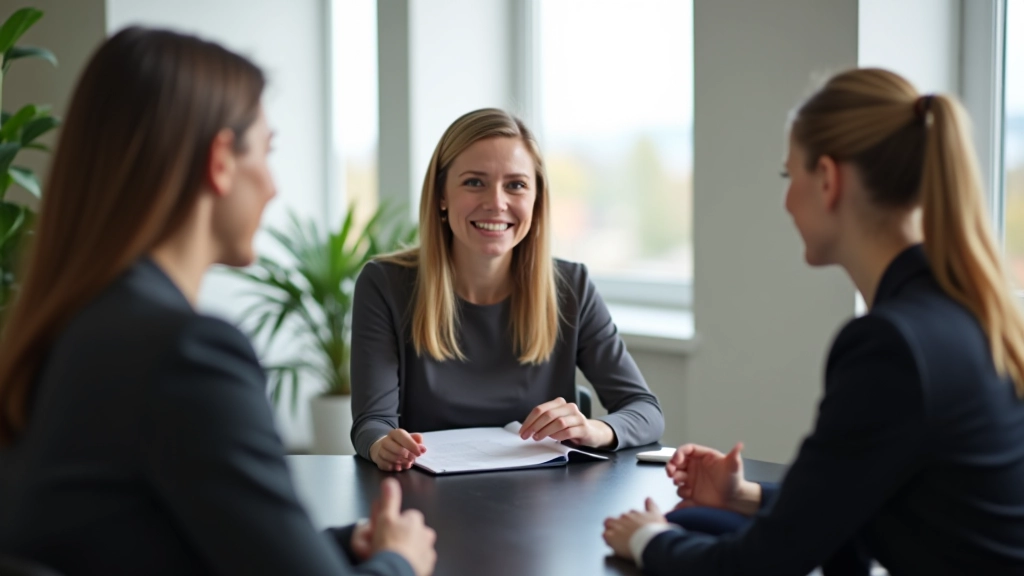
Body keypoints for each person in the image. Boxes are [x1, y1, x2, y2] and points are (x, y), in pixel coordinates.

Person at [0, 28, 435, 576]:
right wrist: (400, 560)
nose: (273, 186)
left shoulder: (67, 327)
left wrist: (342, 544)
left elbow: (144, 537)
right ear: (221, 160)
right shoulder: (186, 355)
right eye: (267, 151)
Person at [603, 68, 1024, 575]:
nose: (785, 201)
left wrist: (647, 538)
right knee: (708, 522)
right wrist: (743, 496)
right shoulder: (970, 313)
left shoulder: (891, 345)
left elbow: (765, 563)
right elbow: (859, 498)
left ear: (828, 179)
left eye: (790, 176)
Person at [351, 108, 665, 471]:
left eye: (515, 185)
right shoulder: (384, 283)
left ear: (535, 198)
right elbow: (371, 424)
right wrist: (381, 445)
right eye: (474, 182)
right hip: (424, 499)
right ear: (441, 194)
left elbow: (645, 411)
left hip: (543, 502)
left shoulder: (571, 286)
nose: (496, 203)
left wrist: (596, 429)